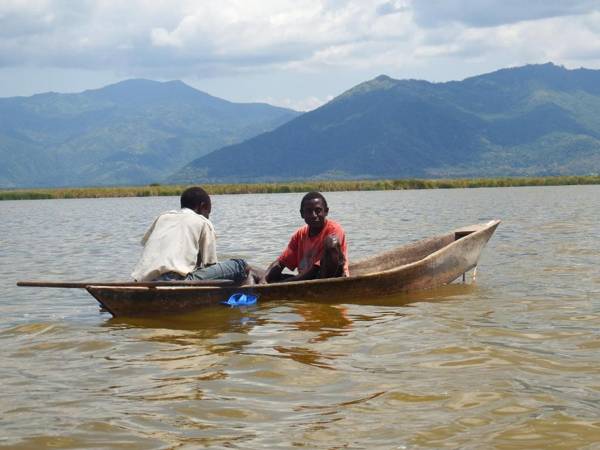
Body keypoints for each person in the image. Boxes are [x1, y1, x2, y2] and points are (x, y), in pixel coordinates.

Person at [131, 186, 250, 283]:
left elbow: (148, 246)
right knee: (239, 265)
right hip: (175, 281)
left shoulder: (162, 217)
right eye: (208, 212)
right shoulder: (203, 222)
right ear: (202, 206)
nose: (208, 217)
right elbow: (210, 265)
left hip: (142, 281)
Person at [262, 191, 349, 283]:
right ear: (302, 214)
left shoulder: (334, 229)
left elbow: (316, 269)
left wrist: (288, 282)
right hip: (304, 279)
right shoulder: (300, 234)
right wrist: (264, 279)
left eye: (318, 210)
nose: (314, 215)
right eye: (309, 211)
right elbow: (281, 262)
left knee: (332, 242)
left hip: (328, 277)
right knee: (252, 272)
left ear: (326, 211)